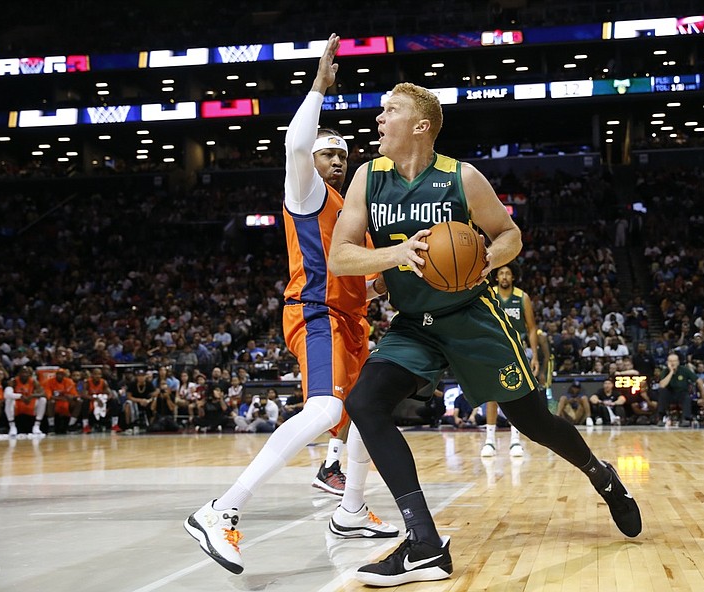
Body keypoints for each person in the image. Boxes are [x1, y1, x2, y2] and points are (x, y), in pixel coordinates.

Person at [329, 80, 641, 586]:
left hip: (472, 319)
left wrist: (485, 260)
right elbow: (342, 255)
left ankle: (601, 474)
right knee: (365, 404)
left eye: (391, 112)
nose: (379, 120)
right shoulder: (368, 177)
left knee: (532, 421)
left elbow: (510, 234)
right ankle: (425, 544)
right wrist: (397, 253)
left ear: (421, 126)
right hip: (414, 326)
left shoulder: (462, 177)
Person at [184, 35, 397, 576]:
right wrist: (318, 88)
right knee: (325, 411)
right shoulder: (308, 195)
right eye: (329, 154)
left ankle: (350, 511)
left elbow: (367, 286)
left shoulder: (354, 217)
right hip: (316, 314)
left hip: (352, 322)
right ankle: (220, 510)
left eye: (343, 156)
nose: (337, 162)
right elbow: (295, 146)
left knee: (368, 411)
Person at [481, 264, 539, 458]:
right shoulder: (489, 294)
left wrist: (535, 355)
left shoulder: (523, 297)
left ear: (513, 277)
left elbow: (531, 328)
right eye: (501, 273)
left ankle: (515, 439)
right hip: (492, 348)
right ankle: (489, 440)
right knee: (491, 393)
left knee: (515, 393)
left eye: (508, 273)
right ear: (496, 277)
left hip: (516, 350)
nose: (504, 276)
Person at [656, 353, 704, 427]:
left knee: (686, 396)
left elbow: (699, 381)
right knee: (662, 392)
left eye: (674, 361)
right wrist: (671, 372)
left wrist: (703, 397)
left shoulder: (684, 370)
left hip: (681, 394)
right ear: (667, 362)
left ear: (678, 362)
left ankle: (685, 419)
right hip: (669, 394)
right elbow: (662, 385)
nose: (672, 363)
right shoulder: (665, 371)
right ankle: (661, 418)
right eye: (670, 361)